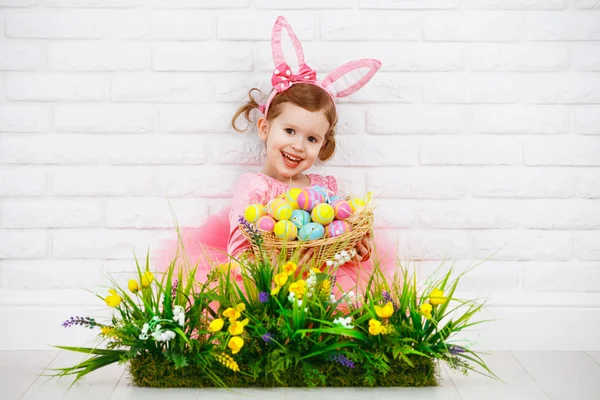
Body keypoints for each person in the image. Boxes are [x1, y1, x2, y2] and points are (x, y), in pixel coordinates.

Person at [157, 16, 398, 292]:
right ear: (264, 128)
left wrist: (357, 248)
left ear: (322, 145)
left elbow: (336, 240)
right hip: (268, 289)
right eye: (290, 131)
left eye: (311, 138)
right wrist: (284, 261)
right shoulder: (254, 187)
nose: (298, 145)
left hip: (322, 288)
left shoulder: (325, 190)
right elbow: (237, 254)